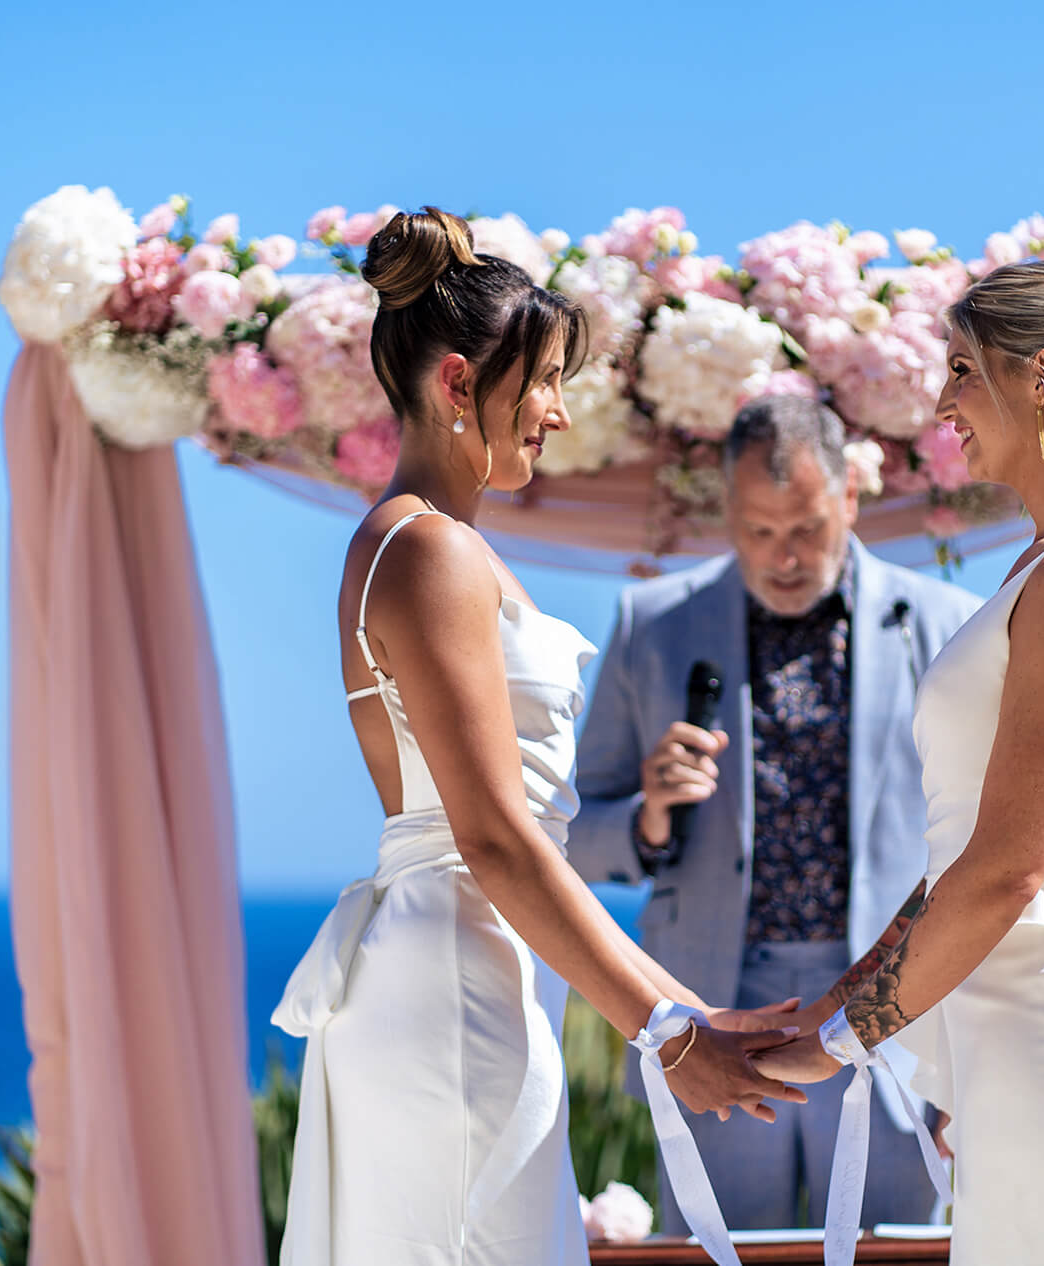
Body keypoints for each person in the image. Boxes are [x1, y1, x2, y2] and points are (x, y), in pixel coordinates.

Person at [269, 207, 802, 1266]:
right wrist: (664, 1032)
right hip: (458, 980)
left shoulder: (424, 543)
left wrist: (689, 1006)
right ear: (460, 384)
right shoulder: (431, 552)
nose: (557, 413)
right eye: (546, 378)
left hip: (468, 964)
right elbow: (500, 839)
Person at [757, 260, 1044, 1265]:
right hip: (1024, 1015)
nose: (943, 401)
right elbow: (964, 857)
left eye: (964, 369)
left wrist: (844, 1040)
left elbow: (1010, 867)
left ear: (1041, 377)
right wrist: (840, 1006)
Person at [568, 394, 983, 1233]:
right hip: (716, 1005)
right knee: (721, 1250)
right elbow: (574, 835)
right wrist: (649, 815)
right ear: (727, 512)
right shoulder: (650, 623)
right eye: (758, 531)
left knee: (897, 1248)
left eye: (805, 529)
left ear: (850, 501)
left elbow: (980, 839)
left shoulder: (945, 623)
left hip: (889, 997)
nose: (783, 556)